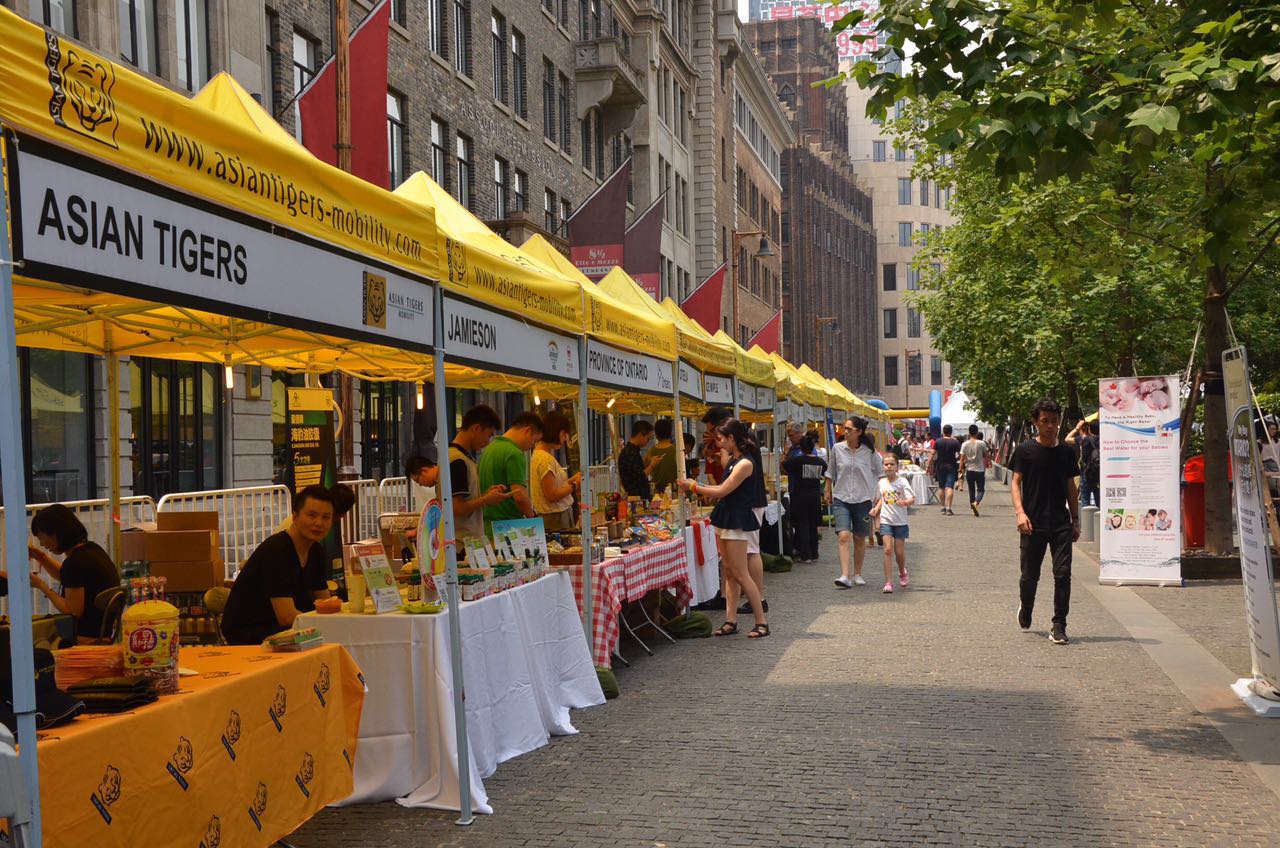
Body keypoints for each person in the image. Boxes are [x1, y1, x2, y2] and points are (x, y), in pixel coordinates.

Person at [677, 418, 769, 638]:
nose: (720, 443)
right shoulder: (734, 459)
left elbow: (722, 490)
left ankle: (761, 621)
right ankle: (731, 619)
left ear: (731, 438)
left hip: (737, 518)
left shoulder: (745, 463)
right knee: (728, 571)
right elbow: (720, 488)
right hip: (727, 516)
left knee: (740, 573)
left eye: (721, 439)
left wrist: (694, 486)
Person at [221, 485, 335, 645]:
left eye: (326, 517)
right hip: (251, 631)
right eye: (312, 515)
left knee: (337, 640)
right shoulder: (277, 550)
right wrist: (325, 626)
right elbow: (286, 617)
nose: (319, 523)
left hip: (287, 629)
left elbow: (325, 603)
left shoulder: (316, 551)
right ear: (294, 516)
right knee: (323, 642)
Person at [1011, 398, 1081, 645]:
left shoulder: (1066, 452)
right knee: (1030, 576)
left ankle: (1059, 625)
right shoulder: (1025, 450)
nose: (1051, 426)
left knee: (1063, 574)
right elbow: (1015, 483)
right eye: (1045, 421)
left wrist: (1075, 519)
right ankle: (1027, 605)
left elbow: (1071, 487)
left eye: (1054, 421)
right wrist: (1020, 513)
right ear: (1035, 422)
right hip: (1032, 524)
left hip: (1060, 523)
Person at [27, 505, 120, 639]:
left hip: (86, 637)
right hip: (102, 632)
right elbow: (69, 578)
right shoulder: (92, 549)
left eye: (41, 537)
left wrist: (43, 587)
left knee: (30, 635)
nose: (41, 544)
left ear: (55, 534)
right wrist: (41, 558)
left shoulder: (74, 563)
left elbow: (73, 611)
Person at [825, 416, 885, 588]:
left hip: (863, 499)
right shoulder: (837, 449)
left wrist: (879, 494)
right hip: (841, 497)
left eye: (849, 429)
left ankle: (857, 573)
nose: (845, 432)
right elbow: (830, 471)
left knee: (859, 538)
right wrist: (827, 489)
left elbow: (880, 474)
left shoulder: (870, 452)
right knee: (843, 536)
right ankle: (844, 575)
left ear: (859, 432)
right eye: (844, 428)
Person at [448, 404, 513, 542]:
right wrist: (485, 499)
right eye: (488, 435)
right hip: (461, 542)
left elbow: (464, 501)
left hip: (467, 540)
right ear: (476, 428)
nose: (488, 442)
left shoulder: (463, 457)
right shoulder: (457, 460)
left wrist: (485, 496)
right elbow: (457, 508)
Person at [478, 412, 543, 532]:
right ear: (528, 431)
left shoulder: (490, 448)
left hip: (487, 526)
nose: (531, 446)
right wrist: (532, 516)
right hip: (509, 529)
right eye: (534, 440)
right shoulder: (514, 453)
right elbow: (520, 496)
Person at [871, 453, 915, 593]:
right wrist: (876, 509)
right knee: (887, 549)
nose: (889, 467)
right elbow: (881, 499)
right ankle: (888, 582)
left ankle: (902, 571)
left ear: (897, 467)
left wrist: (905, 502)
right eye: (886, 464)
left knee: (899, 552)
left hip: (900, 521)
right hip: (886, 520)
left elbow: (912, 498)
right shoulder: (881, 483)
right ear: (883, 466)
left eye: (892, 464)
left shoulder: (902, 482)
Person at [532, 411, 581, 530]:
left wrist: (571, 480)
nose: (565, 439)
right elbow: (552, 495)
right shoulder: (545, 459)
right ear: (556, 432)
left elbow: (555, 486)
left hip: (553, 517)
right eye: (564, 434)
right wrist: (575, 485)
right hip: (555, 519)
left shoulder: (539, 455)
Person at [784, 433, 827, 562]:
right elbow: (825, 471)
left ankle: (805, 554)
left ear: (801, 448)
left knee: (802, 525)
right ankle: (814, 553)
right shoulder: (820, 462)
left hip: (800, 495)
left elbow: (785, 465)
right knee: (813, 525)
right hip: (815, 495)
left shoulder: (798, 461)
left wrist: (786, 452)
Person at [1065, 419, 1101, 508]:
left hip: (1086, 474)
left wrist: (1077, 428)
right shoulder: (1104, 441)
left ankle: (1086, 517)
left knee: (1085, 504)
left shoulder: (1084, 439)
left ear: (1090, 429)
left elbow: (1067, 439)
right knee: (1100, 503)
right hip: (1099, 476)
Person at [618, 419, 655, 501]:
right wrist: (652, 465)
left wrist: (647, 463)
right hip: (636, 498)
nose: (648, 442)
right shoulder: (630, 452)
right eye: (648, 438)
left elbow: (636, 471)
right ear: (640, 435)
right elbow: (639, 476)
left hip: (638, 496)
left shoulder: (633, 450)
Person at [930, 424, 962, 515]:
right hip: (951, 466)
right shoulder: (955, 442)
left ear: (943, 432)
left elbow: (932, 454)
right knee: (950, 487)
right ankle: (949, 508)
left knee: (941, 487)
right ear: (951, 432)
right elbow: (961, 454)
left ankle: (943, 507)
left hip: (940, 466)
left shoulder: (938, 441)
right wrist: (957, 459)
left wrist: (928, 466)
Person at [959, 424, 990, 516]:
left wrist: (960, 469)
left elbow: (962, 458)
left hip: (969, 469)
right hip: (979, 470)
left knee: (971, 490)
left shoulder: (965, 444)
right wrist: (989, 462)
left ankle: (973, 508)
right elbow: (987, 454)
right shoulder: (982, 443)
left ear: (969, 433)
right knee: (981, 490)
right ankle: (976, 503)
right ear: (977, 432)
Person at [646, 418, 679, 495]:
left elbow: (645, 467)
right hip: (673, 492)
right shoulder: (676, 450)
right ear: (670, 433)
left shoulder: (651, 450)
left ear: (656, 434)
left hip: (656, 493)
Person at [701, 407, 731, 483]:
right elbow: (710, 474)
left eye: (712, 431)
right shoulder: (711, 448)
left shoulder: (739, 448)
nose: (712, 436)